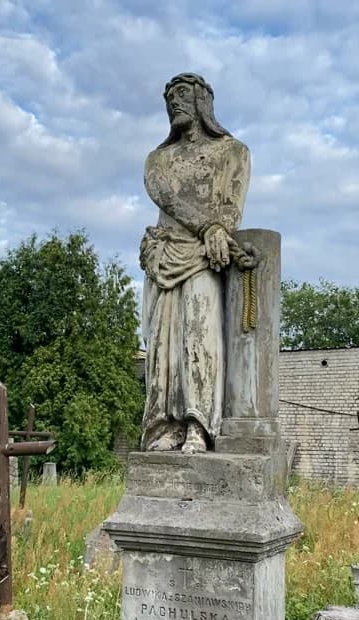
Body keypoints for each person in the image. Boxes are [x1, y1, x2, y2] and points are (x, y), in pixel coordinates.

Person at [140, 72, 250, 454]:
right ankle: (166, 425)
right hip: (165, 256)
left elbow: (231, 208)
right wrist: (209, 226)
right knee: (162, 348)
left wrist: (219, 230)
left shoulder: (232, 151)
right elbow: (162, 196)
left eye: (182, 94)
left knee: (200, 339)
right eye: (169, 97)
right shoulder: (158, 159)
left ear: (203, 100)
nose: (174, 102)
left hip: (204, 258)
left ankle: (198, 425)